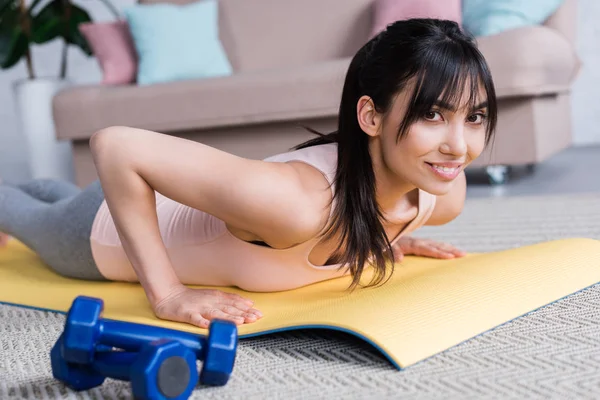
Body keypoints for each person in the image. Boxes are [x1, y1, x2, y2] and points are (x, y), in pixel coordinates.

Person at [0, 18, 497, 329]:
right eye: (432, 115)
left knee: (49, 192)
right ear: (370, 117)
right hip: (97, 235)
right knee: (20, 211)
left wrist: (389, 235)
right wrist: (169, 295)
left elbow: (372, 204)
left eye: (473, 117)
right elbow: (114, 145)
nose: (459, 145)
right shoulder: (298, 205)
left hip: (140, 199)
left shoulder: (441, 196)